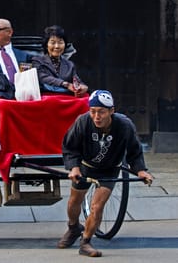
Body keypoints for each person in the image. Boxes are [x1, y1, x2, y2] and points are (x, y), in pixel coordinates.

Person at [58, 89, 153, 257]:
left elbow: (134, 151)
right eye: (93, 111)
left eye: (101, 112)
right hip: (86, 166)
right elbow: (70, 147)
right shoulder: (83, 122)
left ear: (111, 111)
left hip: (109, 169)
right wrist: (74, 167)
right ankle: (73, 228)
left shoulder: (124, 125)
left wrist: (141, 170)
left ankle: (85, 242)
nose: (96, 116)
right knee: (74, 202)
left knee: (97, 206)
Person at [32, 25, 88, 97]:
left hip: (65, 100)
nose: (57, 46)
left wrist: (83, 87)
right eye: (53, 42)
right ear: (46, 45)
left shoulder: (70, 65)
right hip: (45, 100)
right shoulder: (37, 61)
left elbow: (76, 81)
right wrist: (65, 84)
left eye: (60, 42)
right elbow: (42, 77)